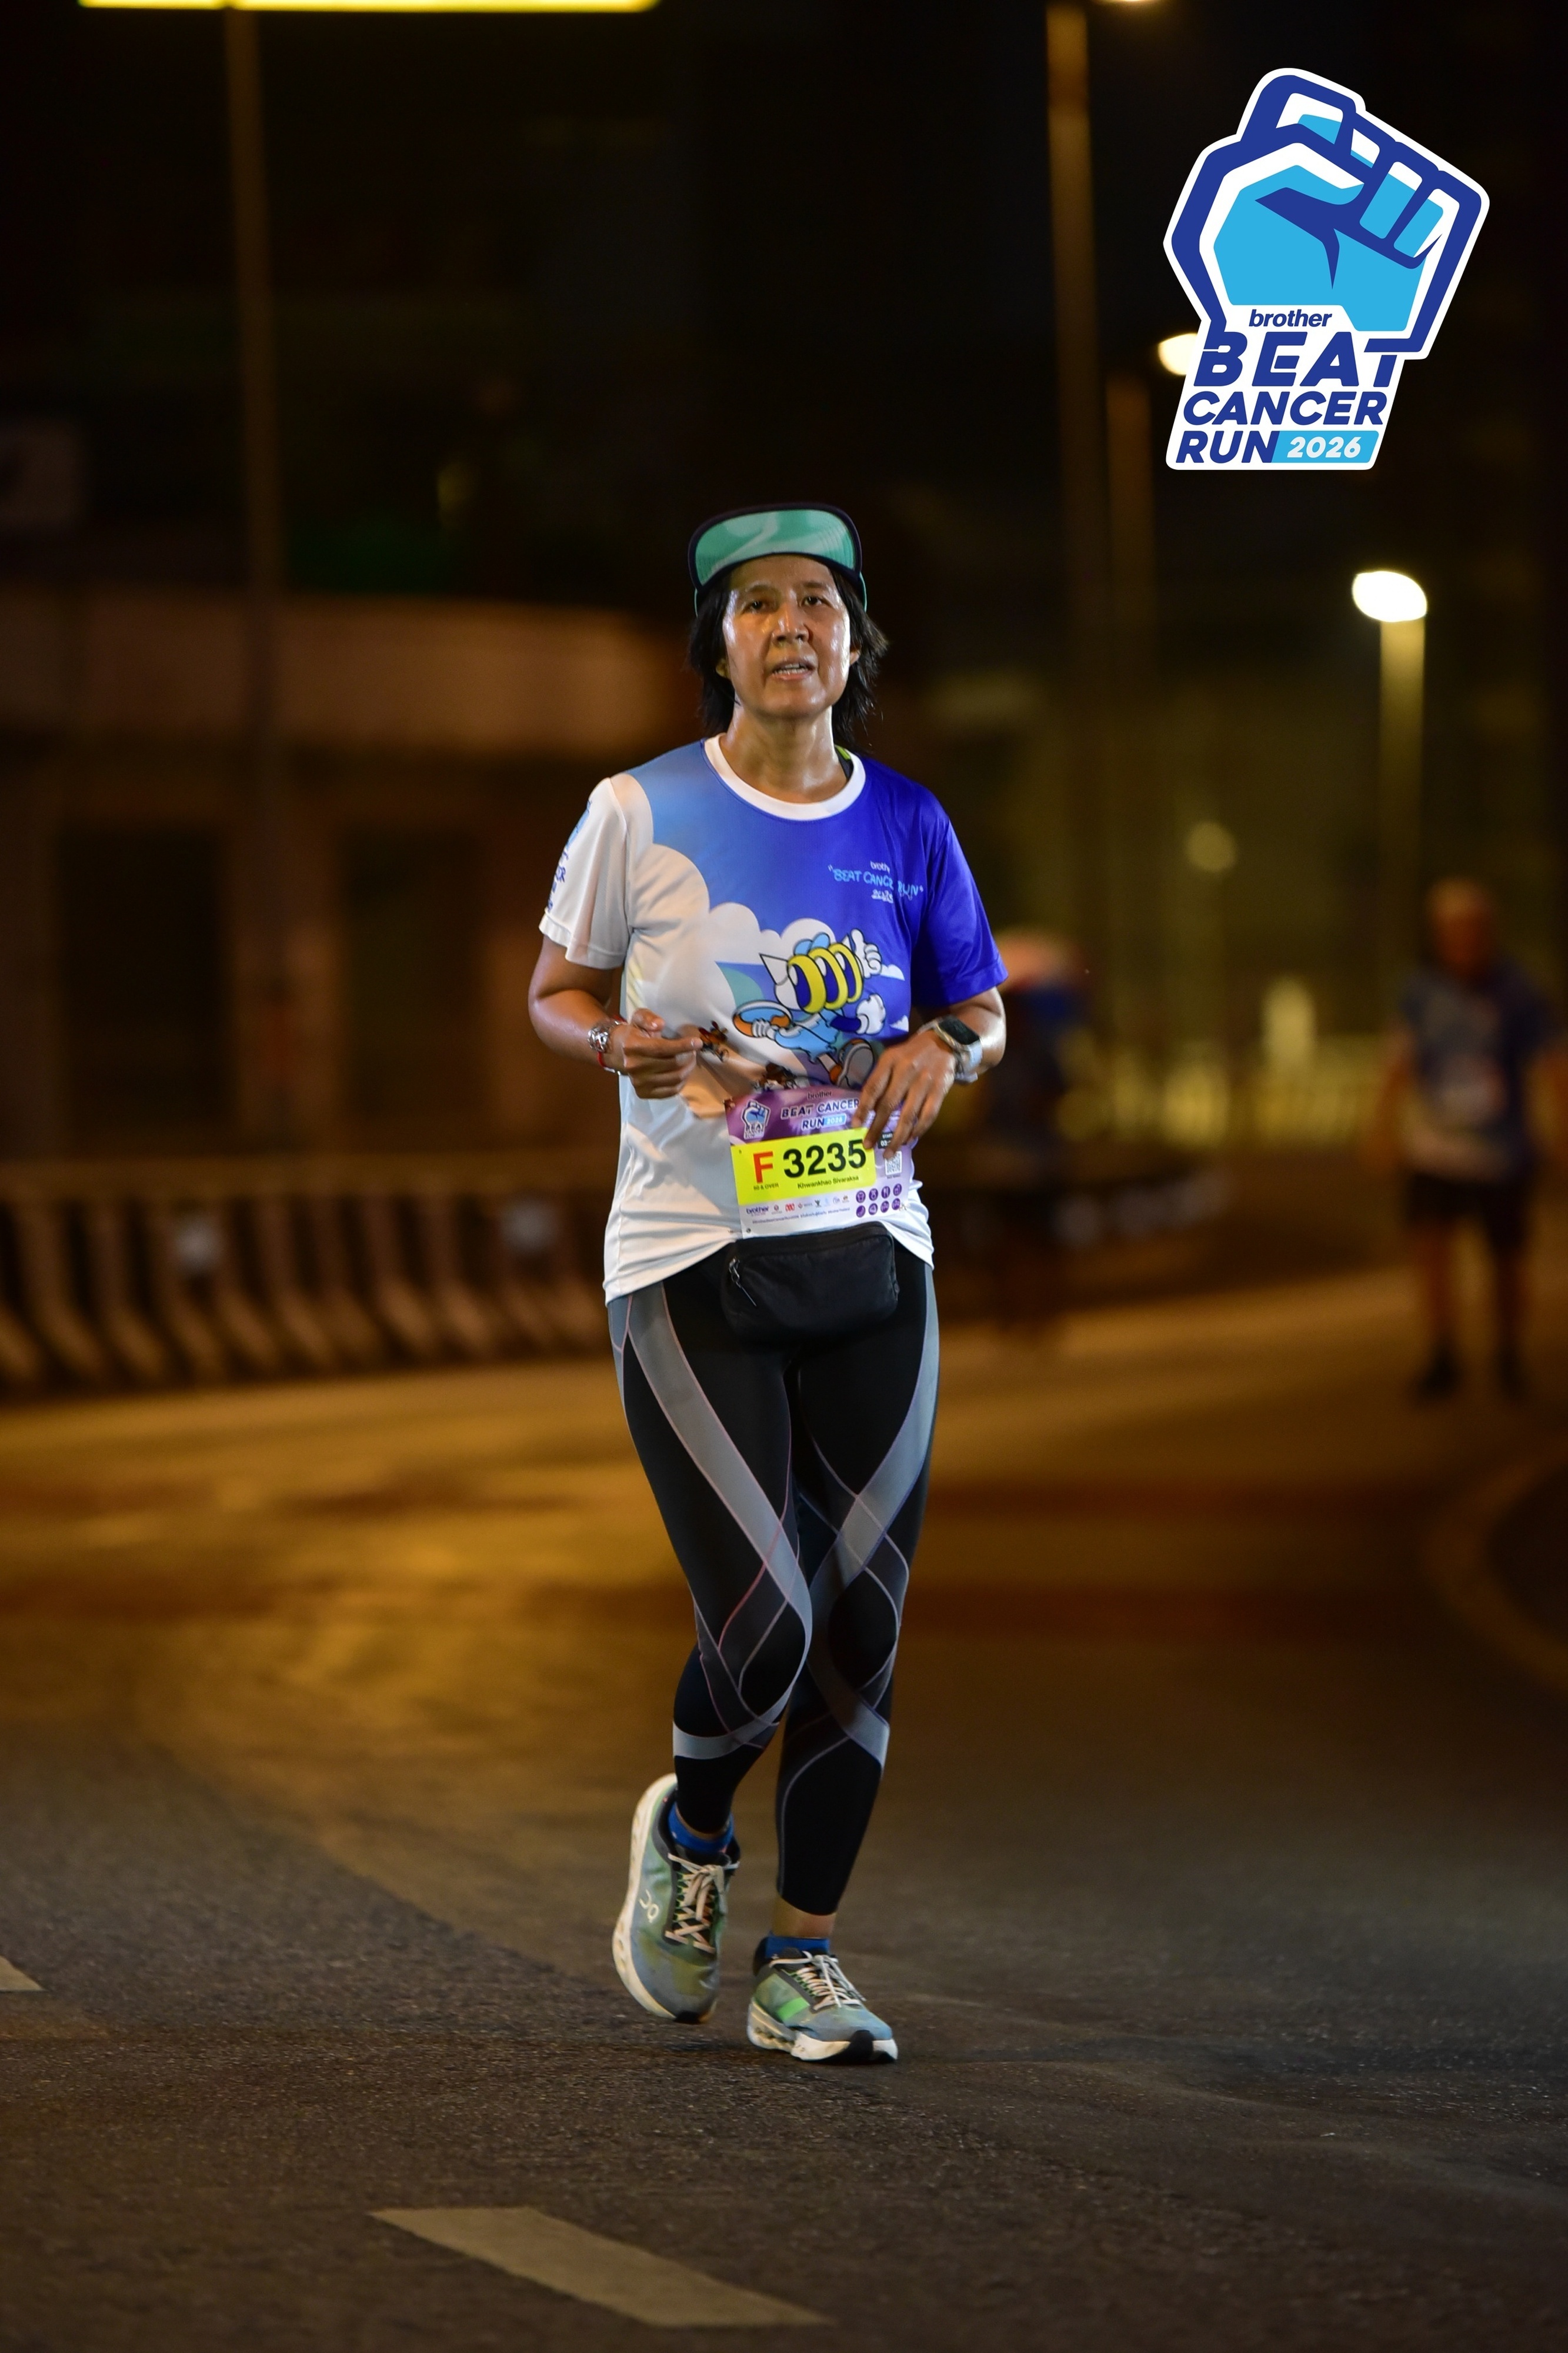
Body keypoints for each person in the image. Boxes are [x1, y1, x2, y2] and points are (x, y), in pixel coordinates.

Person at [529, 505, 1005, 2062]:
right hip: (689, 1259)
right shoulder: (639, 809)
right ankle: (692, 1829)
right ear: (716, 642)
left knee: (864, 1623)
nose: (790, 625)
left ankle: (804, 1958)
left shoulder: (910, 822)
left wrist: (945, 1047)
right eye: (755, 604)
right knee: (766, 1629)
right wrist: (617, 1042)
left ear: (855, 638)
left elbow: (981, 1005)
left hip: (874, 1250)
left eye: (817, 601)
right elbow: (555, 989)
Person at [1366, 878, 1568, 1399]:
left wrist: (1562, 1130)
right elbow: (1398, 1062)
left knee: (1506, 1257)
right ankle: (1443, 1352)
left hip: (1502, 1150)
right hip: (1435, 1146)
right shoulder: (1419, 991)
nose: (1463, 941)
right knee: (1430, 1246)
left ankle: (1508, 1353)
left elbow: (1552, 1065)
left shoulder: (1519, 991)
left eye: (1472, 930)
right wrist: (1381, 1126)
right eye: (1452, 931)